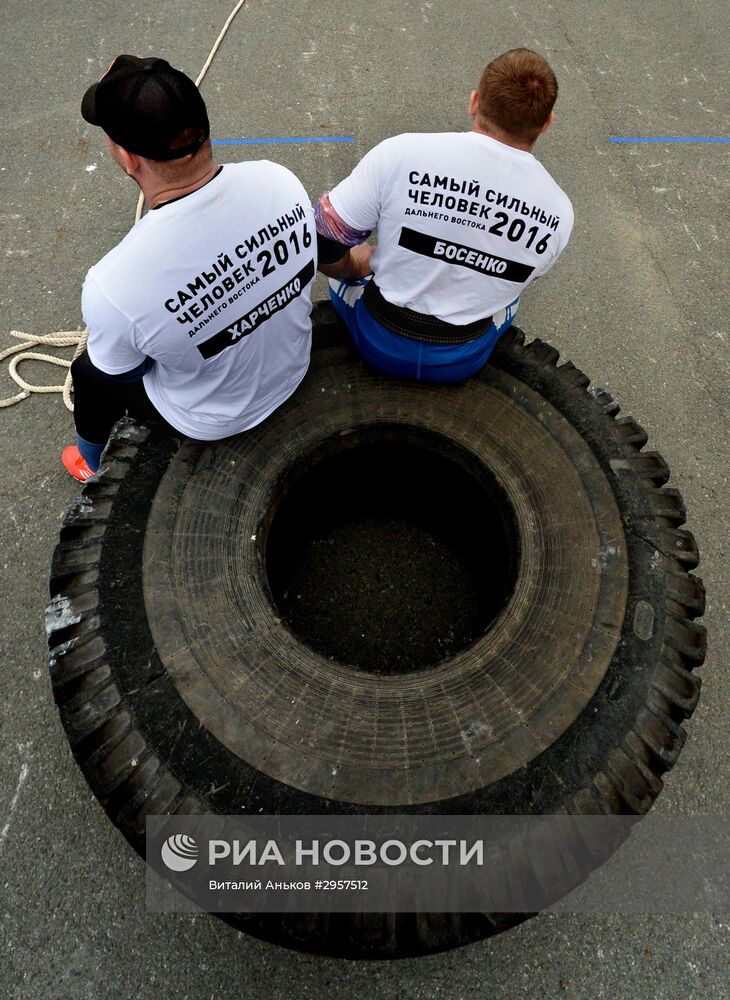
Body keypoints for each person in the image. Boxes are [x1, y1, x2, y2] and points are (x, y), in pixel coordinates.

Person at [63, 55, 316, 482]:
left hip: (214, 419)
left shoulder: (114, 283)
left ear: (128, 158)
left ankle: (92, 463)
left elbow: (122, 372)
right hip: (295, 369)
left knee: (90, 374)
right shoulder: (279, 180)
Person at [315, 48, 573, 383]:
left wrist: (356, 264)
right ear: (547, 123)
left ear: (475, 102)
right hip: (462, 357)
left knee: (340, 270)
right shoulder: (559, 211)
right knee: (509, 300)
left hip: (379, 341)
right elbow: (519, 280)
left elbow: (322, 241)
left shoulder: (402, 153)